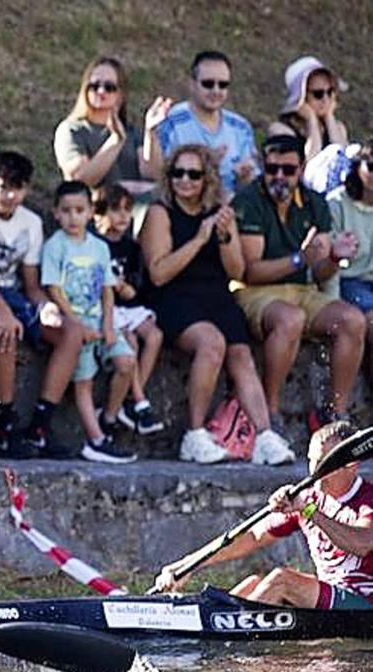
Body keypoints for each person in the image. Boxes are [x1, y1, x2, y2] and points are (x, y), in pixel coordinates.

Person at [139, 144, 295, 465]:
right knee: (212, 344)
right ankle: (194, 435)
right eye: (177, 172)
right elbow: (158, 273)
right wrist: (199, 239)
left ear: (206, 178)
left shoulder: (219, 211)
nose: (184, 180)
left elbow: (237, 271)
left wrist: (224, 236)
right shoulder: (159, 211)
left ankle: (264, 435)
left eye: (193, 174)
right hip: (173, 295)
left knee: (241, 355)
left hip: (215, 295)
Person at [156, 421, 373, 609]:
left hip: (364, 603)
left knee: (282, 580)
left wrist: (309, 511)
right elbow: (253, 537)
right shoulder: (309, 497)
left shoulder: (367, 500)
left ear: (352, 463)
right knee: (253, 584)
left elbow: (362, 543)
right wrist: (187, 565)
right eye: (311, 460)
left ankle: (233, 635)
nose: (313, 473)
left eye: (323, 464)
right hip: (330, 595)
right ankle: (204, 621)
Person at [0, 151, 83, 458]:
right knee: (5, 332)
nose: (11, 195)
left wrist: (46, 307)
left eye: (18, 188)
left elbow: (31, 284)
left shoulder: (31, 222)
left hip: (12, 293)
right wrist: (4, 313)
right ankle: (5, 425)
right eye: (4, 187)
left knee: (71, 333)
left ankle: (40, 424)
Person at [231, 134, 364, 429]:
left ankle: (335, 415)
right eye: (271, 169)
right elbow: (249, 273)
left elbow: (319, 274)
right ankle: (270, 412)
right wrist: (298, 260)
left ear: (301, 170)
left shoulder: (315, 203)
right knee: (290, 319)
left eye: (288, 170)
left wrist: (332, 259)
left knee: (352, 320)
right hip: (254, 293)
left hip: (303, 289)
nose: (279, 176)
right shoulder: (248, 201)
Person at [42, 181, 136, 464]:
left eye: (79, 210)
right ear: (56, 213)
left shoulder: (99, 247)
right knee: (83, 383)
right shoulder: (55, 246)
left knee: (126, 362)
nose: (73, 217)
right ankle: (95, 441)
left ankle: (108, 418)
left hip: (100, 319)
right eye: (66, 211)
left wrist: (108, 325)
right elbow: (54, 290)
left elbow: (108, 289)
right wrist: (77, 326)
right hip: (75, 323)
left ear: (90, 212)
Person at [92, 183, 165, 434]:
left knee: (154, 336)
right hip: (108, 309)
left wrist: (128, 288)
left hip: (129, 305)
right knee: (131, 342)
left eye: (127, 210)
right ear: (98, 213)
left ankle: (132, 398)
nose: (123, 216)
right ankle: (140, 402)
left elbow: (136, 284)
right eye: (115, 210)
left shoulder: (132, 247)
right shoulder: (94, 245)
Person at [54, 57, 169, 199]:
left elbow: (153, 175)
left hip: (133, 211)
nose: (101, 91)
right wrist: (116, 141)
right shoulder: (72, 130)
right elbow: (79, 180)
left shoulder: (131, 132)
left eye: (109, 87)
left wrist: (150, 132)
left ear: (120, 94)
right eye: (95, 86)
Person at [154, 50, 259, 200]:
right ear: (192, 84)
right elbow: (157, 175)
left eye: (223, 85)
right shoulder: (172, 122)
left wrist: (244, 176)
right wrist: (206, 164)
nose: (216, 91)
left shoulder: (240, 127)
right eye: (208, 84)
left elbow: (252, 186)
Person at [327, 140, 373, 381]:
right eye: (371, 166)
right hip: (349, 281)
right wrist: (332, 303)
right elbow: (329, 262)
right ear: (358, 167)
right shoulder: (337, 203)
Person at [269, 56, 348, 165]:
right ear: (302, 96)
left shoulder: (337, 128)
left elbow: (344, 161)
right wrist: (312, 121)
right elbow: (312, 163)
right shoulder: (282, 129)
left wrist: (329, 117)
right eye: (318, 94)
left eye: (329, 92)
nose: (325, 100)